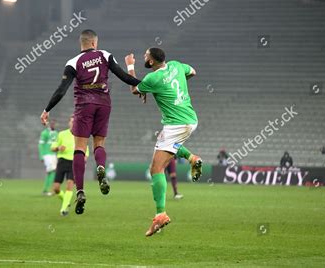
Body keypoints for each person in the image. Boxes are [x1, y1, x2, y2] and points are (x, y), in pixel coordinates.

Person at [40, 29, 141, 215]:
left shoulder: (72, 63)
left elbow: (61, 90)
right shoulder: (104, 55)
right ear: (94, 43)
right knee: (99, 143)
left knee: (80, 148)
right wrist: (144, 86)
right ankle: (100, 166)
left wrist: (47, 109)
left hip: (84, 106)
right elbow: (124, 77)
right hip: (103, 104)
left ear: (82, 43)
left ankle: (80, 191)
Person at [125, 47, 203, 237]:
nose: (144, 56)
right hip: (190, 119)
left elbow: (134, 88)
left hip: (175, 124)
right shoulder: (176, 65)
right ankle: (192, 158)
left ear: (151, 62)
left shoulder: (153, 79)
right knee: (168, 146)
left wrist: (130, 65)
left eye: (145, 56)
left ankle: (160, 214)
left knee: (156, 170)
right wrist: (176, 84)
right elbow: (192, 71)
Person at [50, 116, 89, 216]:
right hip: (62, 162)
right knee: (56, 188)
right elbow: (52, 147)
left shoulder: (81, 135)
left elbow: (86, 151)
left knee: (69, 185)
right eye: (72, 122)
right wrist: (59, 148)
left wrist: (84, 160)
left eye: (75, 122)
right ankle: (66, 200)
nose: (73, 123)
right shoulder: (62, 134)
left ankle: (64, 209)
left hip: (74, 163)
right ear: (69, 123)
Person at [39, 119, 58, 196]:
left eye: (54, 123)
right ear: (49, 124)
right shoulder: (45, 133)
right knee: (52, 171)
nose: (53, 124)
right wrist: (41, 156)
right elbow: (40, 145)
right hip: (47, 155)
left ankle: (48, 190)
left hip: (54, 155)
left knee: (52, 171)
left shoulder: (57, 133)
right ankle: (47, 190)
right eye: (52, 123)